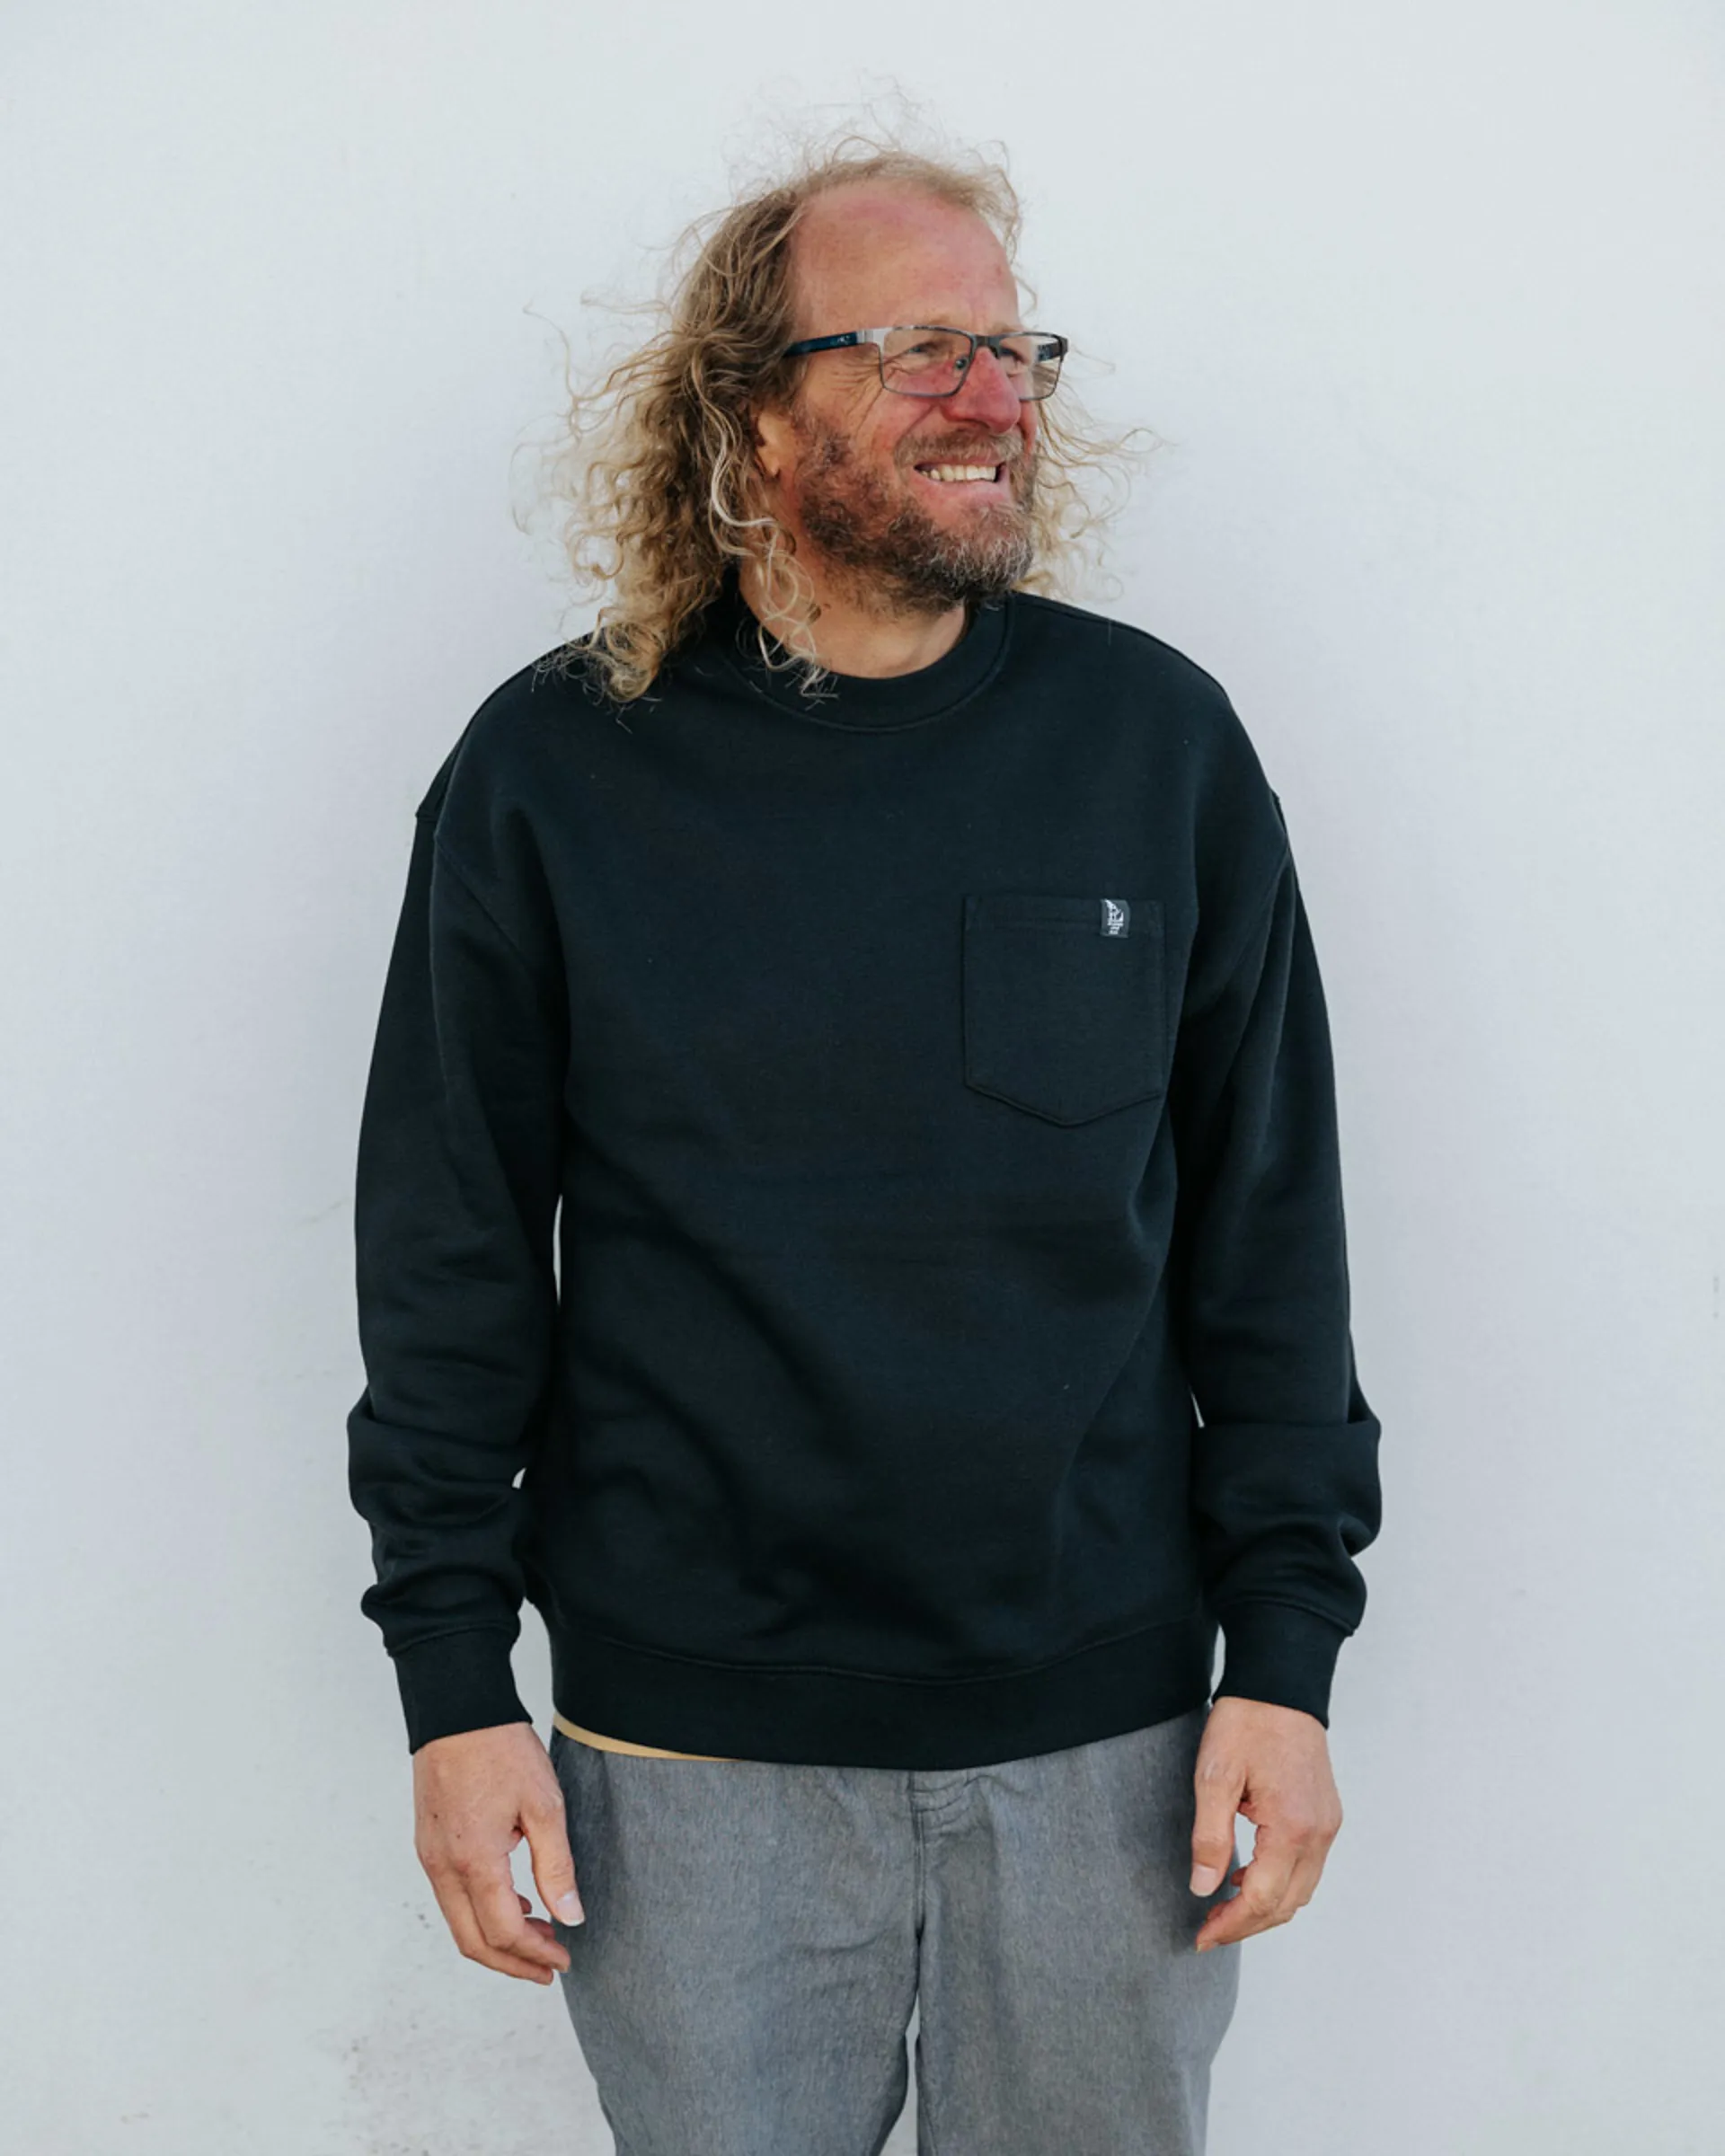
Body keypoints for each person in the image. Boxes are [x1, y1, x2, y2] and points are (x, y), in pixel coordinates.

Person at [346, 128, 1383, 2156]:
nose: (994, 397)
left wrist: (1287, 1657)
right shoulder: (553, 773)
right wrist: (453, 1688)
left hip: (1112, 1745)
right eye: (920, 350)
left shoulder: (1154, 748)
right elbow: (450, 1254)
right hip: (688, 1756)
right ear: (753, 409)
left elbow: (1271, 1237)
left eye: (1015, 349)